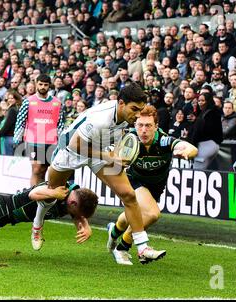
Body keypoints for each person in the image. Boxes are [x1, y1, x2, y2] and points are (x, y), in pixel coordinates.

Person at [35, 83, 167, 264]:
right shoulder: (101, 119)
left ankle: (142, 247)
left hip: (99, 150)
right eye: (134, 109)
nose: (137, 115)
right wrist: (107, 155)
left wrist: (118, 158)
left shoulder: (126, 118)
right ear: (121, 103)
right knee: (52, 193)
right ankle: (37, 224)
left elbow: (114, 142)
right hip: (71, 150)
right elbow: (76, 145)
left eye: (140, 110)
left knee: (128, 195)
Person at [106, 105, 198, 265]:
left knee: (129, 217)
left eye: (148, 125)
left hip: (156, 185)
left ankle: (114, 231)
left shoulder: (164, 141)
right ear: (135, 126)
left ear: (156, 126)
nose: (143, 130)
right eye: (140, 125)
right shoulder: (129, 140)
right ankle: (122, 247)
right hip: (134, 180)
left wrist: (188, 152)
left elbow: (188, 147)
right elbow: (110, 154)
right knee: (152, 214)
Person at [13, 74, 65, 186]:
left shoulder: (57, 103)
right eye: (40, 84)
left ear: (49, 86)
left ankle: (40, 198)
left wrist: (61, 141)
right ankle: (32, 199)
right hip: (34, 141)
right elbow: (20, 121)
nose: (43, 87)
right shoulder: (28, 101)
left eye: (45, 85)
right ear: (36, 84)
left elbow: (60, 124)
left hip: (51, 142)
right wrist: (17, 139)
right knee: (36, 170)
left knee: (43, 171)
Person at [188, 92, 223, 170]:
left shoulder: (210, 113)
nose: (200, 103)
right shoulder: (207, 112)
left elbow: (202, 130)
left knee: (197, 171)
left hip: (206, 144)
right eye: (199, 101)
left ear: (208, 101)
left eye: (202, 101)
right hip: (213, 145)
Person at [0, 90, 21, 155]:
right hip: (16, 138)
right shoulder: (17, 108)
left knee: (8, 160)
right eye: (9, 98)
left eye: (12, 98)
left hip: (9, 138)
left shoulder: (12, 109)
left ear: (16, 99)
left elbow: (7, 125)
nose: (10, 100)